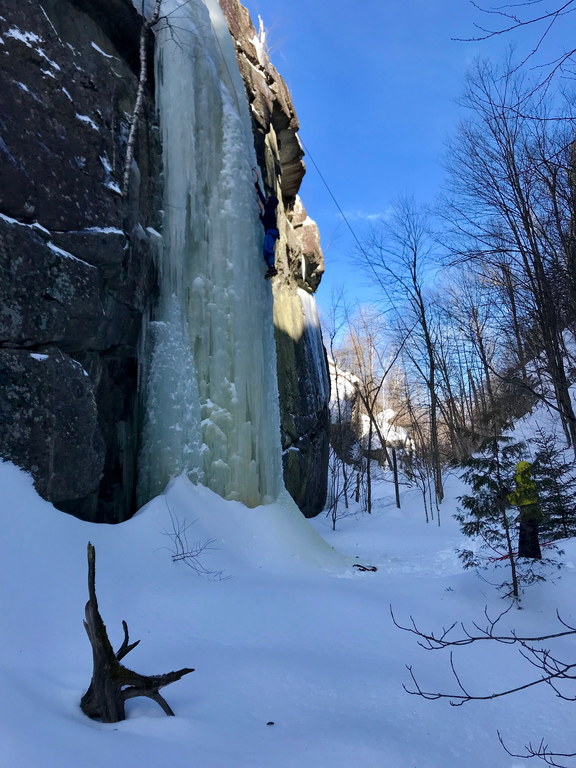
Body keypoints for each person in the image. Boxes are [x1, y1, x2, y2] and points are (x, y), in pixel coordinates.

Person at [507, 460, 543, 559]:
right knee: (532, 534)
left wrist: (507, 496)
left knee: (526, 536)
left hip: (527, 512)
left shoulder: (521, 480)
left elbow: (518, 498)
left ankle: (527, 557)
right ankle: (534, 555)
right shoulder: (530, 480)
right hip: (534, 510)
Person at [255, 181, 280, 279]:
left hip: (270, 233)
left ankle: (272, 268)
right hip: (270, 233)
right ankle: (270, 268)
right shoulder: (269, 208)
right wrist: (259, 190)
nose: (267, 199)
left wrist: (261, 218)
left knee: (268, 250)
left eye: (269, 199)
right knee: (266, 251)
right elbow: (262, 199)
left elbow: (266, 222)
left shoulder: (270, 211)